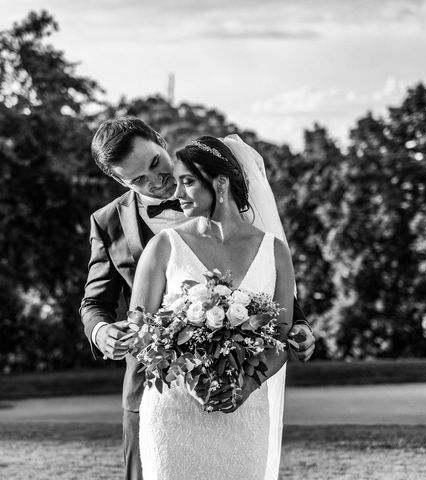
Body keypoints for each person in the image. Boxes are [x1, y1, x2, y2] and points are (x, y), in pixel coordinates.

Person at [79, 117, 314, 480]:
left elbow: (264, 277)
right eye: (138, 180)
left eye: (156, 163)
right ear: (118, 181)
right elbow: (95, 302)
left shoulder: (222, 190)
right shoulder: (108, 222)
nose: (157, 183)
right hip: (154, 394)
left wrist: (297, 324)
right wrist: (101, 332)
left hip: (241, 390)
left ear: (161, 140)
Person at [131, 136, 293, 479]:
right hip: (174, 414)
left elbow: (281, 335)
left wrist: (245, 387)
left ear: (220, 183)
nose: (177, 193)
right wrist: (192, 377)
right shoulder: (164, 246)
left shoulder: (275, 252)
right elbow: (139, 331)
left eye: (188, 181)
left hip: (245, 414)